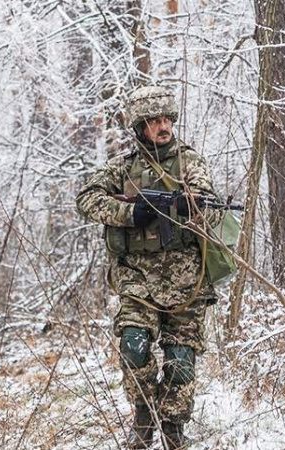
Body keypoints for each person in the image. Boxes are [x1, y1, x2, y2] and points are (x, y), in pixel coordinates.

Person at [76, 86, 221, 448]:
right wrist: (129, 213)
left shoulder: (190, 163)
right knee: (134, 345)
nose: (163, 126)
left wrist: (195, 208)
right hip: (137, 281)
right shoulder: (124, 167)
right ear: (141, 127)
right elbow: (86, 198)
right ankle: (143, 414)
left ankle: (172, 427)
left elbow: (213, 206)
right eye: (155, 121)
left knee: (181, 359)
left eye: (167, 119)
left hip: (187, 280)